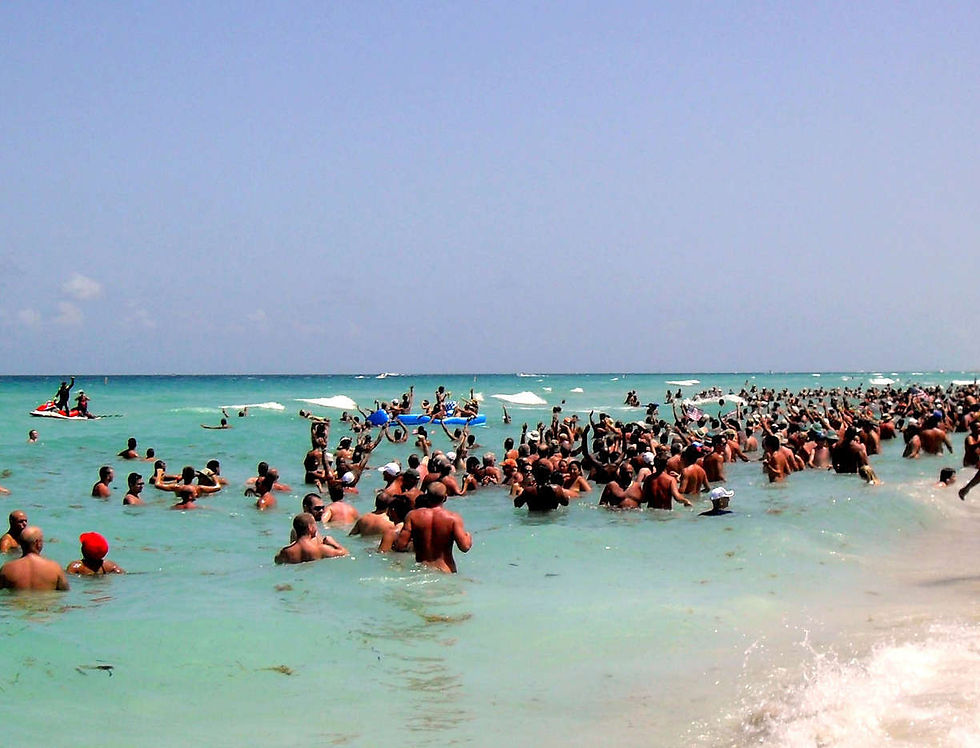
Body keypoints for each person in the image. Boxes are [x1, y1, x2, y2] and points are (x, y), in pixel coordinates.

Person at [392, 483, 472, 573]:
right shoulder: (453, 518)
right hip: (445, 571)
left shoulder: (412, 516)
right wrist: (468, 536)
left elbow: (400, 545)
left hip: (421, 570)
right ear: (445, 497)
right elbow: (464, 547)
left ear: (427, 496)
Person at [0, 526, 70, 591]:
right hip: (44, 603)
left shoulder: (6, 569)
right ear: (37, 543)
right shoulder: (55, 568)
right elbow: (65, 591)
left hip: (16, 604)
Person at [275, 513, 348, 564]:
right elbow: (345, 553)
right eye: (315, 525)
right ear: (310, 527)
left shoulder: (285, 552)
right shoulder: (320, 549)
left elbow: (276, 561)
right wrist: (334, 543)